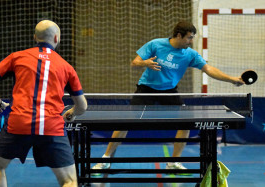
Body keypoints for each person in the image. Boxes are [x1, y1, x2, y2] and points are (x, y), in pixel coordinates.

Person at [92, 21, 244, 173]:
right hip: (146, 88)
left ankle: (174, 162)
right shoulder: (156, 44)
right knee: (125, 123)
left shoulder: (189, 54)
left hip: (169, 91)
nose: (191, 41)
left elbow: (208, 69)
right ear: (179, 35)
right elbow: (134, 62)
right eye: (189, 38)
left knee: (185, 124)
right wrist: (145, 63)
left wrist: (233, 79)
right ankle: (105, 159)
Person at [0, 20, 87, 187]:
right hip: (52, 127)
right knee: (69, 180)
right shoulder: (67, 67)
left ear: (35, 37)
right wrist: (71, 112)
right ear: (57, 38)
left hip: (19, 124)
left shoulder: (16, 57)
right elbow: (82, 106)